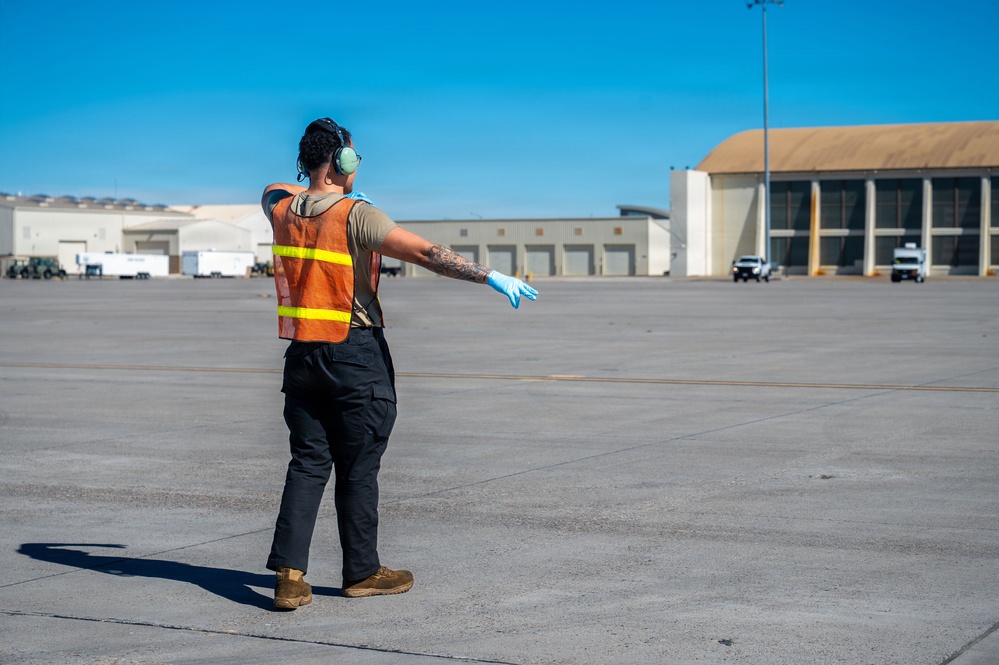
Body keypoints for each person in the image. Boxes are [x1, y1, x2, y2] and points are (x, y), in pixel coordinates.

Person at [261, 117, 538, 610]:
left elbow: (274, 187)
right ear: (343, 161)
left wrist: (316, 181)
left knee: (307, 464)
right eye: (355, 157)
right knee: (358, 467)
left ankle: (289, 577)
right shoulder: (355, 215)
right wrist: (490, 275)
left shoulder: (281, 209)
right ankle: (362, 572)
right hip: (353, 354)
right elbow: (425, 253)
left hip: (302, 354)